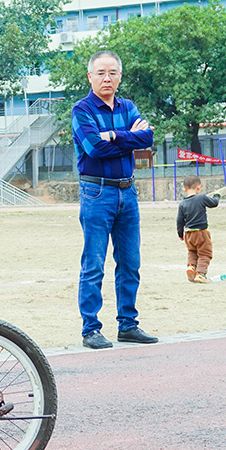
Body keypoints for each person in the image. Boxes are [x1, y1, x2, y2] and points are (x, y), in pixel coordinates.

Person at [72, 50, 158, 350]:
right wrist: (124, 138)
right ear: (90, 76)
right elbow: (94, 148)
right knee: (94, 262)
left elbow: (147, 139)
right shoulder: (81, 110)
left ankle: (128, 325)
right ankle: (91, 329)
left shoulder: (128, 106)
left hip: (127, 191)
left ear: (120, 76)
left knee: (130, 261)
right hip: (96, 192)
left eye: (112, 73)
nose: (106, 78)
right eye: (100, 73)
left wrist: (112, 135)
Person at [176, 175, 223, 284]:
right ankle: (201, 274)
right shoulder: (201, 197)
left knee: (192, 251)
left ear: (184, 189)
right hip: (201, 232)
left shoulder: (182, 203)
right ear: (198, 187)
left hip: (188, 234)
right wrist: (217, 195)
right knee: (205, 253)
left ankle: (191, 267)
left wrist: (180, 234)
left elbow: (179, 220)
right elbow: (214, 203)